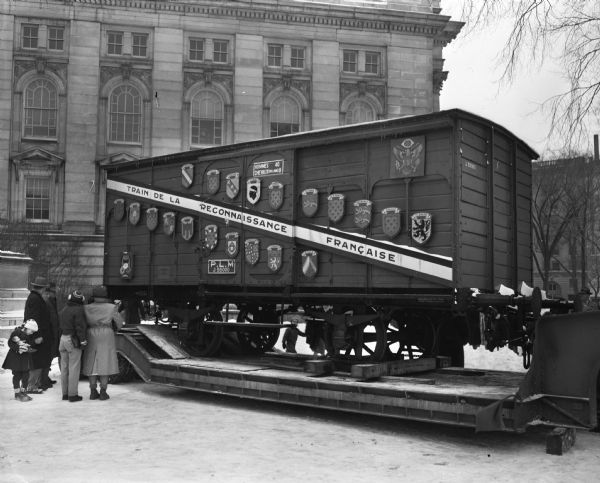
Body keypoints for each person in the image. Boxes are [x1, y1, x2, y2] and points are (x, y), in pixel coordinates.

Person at [81, 285, 125, 400]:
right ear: (105, 296)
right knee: (105, 361)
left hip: (91, 333)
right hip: (106, 334)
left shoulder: (86, 307)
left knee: (91, 361)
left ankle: (92, 390)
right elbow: (119, 323)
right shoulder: (112, 307)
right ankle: (103, 391)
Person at [23, 276, 53, 394]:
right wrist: (37, 336)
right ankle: (31, 386)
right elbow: (34, 318)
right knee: (37, 360)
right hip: (37, 335)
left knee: (38, 360)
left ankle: (34, 384)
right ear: (43, 288)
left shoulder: (34, 297)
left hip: (38, 334)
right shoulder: (35, 299)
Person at [58, 290, 88, 402]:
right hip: (72, 340)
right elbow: (80, 327)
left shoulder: (64, 309)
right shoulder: (79, 310)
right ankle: (73, 395)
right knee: (74, 368)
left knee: (64, 368)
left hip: (63, 339)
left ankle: (65, 394)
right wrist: (83, 340)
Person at [2, 319, 40, 401]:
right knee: (17, 376)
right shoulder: (17, 332)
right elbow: (10, 343)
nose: (32, 333)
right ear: (27, 328)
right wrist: (18, 348)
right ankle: (17, 393)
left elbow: (27, 343)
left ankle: (23, 392)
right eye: (32, 331)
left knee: (26, 376)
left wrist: (29, 347)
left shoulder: (27, 334)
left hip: (24, 359)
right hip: (16, 359)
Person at [42, 281, 60, 389]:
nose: (56, 293)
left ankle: (45, 377)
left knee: (49, 357)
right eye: (54, 291)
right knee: (47, 357)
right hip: (50, 334)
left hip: (53, 333)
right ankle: (43, 379)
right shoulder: (47, 302)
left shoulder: (52, 301)